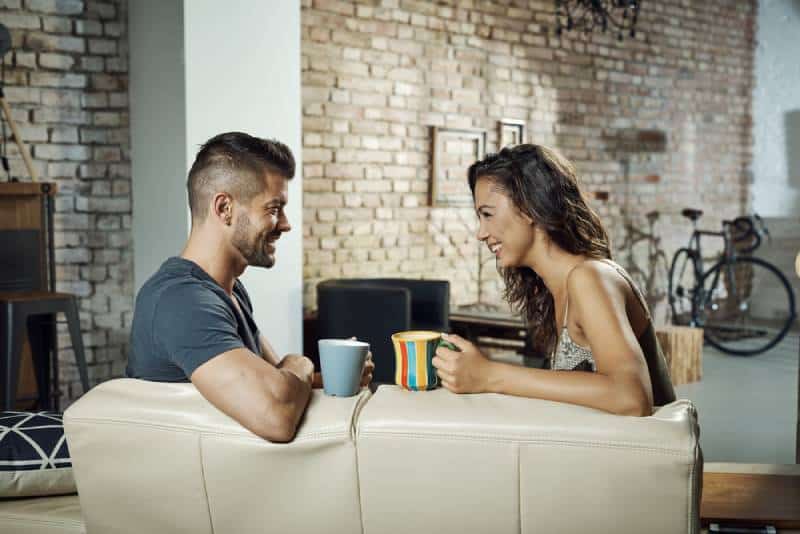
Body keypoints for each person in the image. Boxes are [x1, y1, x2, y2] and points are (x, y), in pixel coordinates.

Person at [126, 132, 373, 441]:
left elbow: (278, 381)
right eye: (273, 209)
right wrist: (302, 361)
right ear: (224, 208)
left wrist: (336, 379)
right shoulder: (182, 301)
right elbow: (276, 414)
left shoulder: (229, 291)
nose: (285, 224)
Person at [433, 144, 675, 416]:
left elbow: (631, 396)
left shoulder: (590, 277)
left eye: (487, 214)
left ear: (529, 206)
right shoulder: (554, 288)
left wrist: (490, 374)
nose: (481, 233)